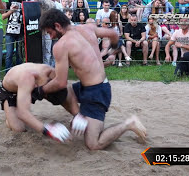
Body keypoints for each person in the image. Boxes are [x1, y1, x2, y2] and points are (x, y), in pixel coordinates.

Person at [39, 9, 146, 150]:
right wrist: (112, 50)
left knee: (93, 144)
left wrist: (39, 91)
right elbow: (113, 34)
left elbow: (60, 82)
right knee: (60, 91)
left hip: (97, 93)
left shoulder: (61, 45)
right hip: (90, 86)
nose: (50, 36)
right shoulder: (87, 28)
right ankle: (79, 115)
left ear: (58, 26)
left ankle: (129, 123)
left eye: (49, 32)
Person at [0, 63, 79, 142]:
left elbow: (67, 90)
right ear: (45, 95)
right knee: (18, 128)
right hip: (11, 92)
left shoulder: (52, 73)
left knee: (60, 95)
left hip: (28, 86)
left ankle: (76, 114)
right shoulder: (27, 78)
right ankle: (9, 117)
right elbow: (22, 113)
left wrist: (78, 115)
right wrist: (47, 130)